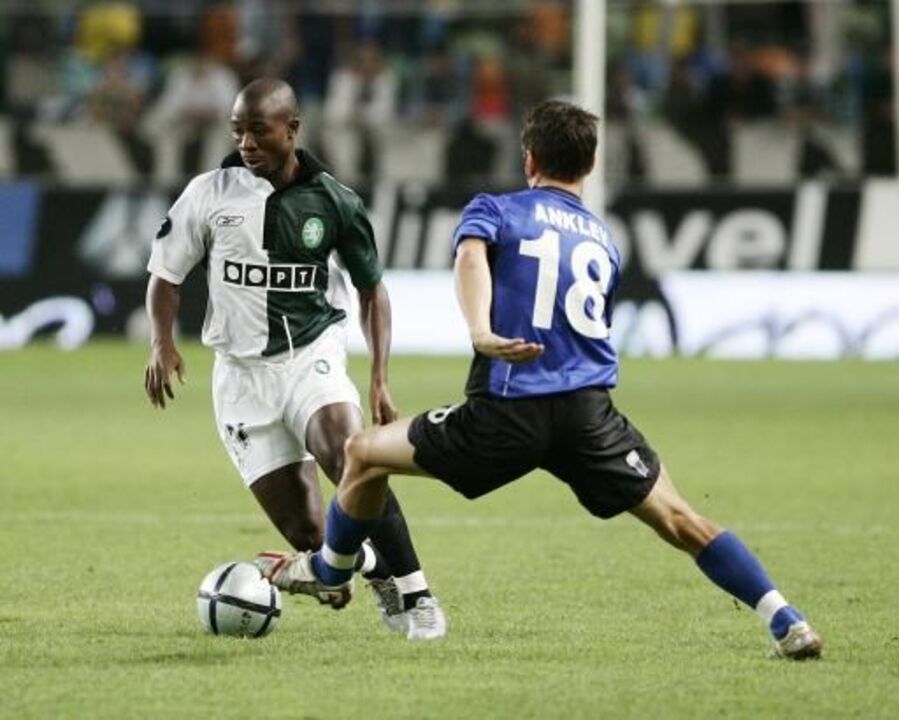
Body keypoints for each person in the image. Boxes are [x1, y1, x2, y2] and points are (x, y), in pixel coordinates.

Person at [254, 99, 823, 660]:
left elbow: (471, 257)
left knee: (362, 453)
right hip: (588, 417)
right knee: (681, 519)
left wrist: (480, 329)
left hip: (508, 412)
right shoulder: (601, 240)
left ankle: (330, 570)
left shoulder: (498, 210)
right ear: (590, 165)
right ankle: (786, 620)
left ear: (528, 158)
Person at [144, 77, 446, 641]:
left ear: (292, 129)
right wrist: (162, 342)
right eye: (238, 131)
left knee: (352, 455)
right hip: (240, 378)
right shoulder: (208, 194)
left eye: (258, 130)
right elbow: (165, 277)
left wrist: (379, 378)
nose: (246, 143)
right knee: (312, 539)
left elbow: (372, 291)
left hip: (312, 355)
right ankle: (369, 567)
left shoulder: (334, 200)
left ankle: (417, 596)